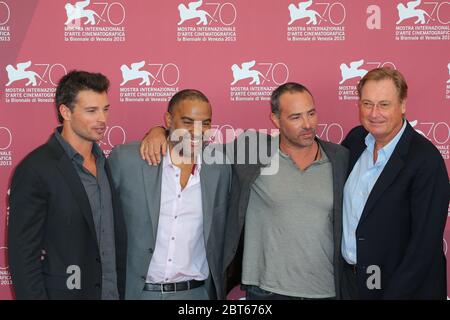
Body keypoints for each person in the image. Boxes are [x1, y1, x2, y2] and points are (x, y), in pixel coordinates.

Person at [140, 82, 349, 300]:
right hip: (265, 292)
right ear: (276, 120)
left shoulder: (339, 158)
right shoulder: (252, 149)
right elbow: (194, 143)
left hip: (326, 290)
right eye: (295, 117)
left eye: (311, 113)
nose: (307, 124)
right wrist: (159, 132)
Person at [8, 70, 127, 300]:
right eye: (91, 111)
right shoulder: (35, 169)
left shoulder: (106, 163)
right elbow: (23, 257)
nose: (102, 119)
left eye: (105, 109)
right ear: (65, 112)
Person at [108, 89, 231, 300]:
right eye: (187, 122)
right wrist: (157, 131)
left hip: (196, 294)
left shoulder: (220, 167)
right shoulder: (127, 160)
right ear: (168, 119)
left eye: (206, 123)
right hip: (138, 293)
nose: (197, 131)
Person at [341, 67, 449, 299]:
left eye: (384, 104)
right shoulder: (355, 140)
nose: (374, 113)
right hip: (352, 283)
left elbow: (424, 247)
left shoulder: (425, 160)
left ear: (402, 105)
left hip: (397, 289)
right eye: (367, 103)